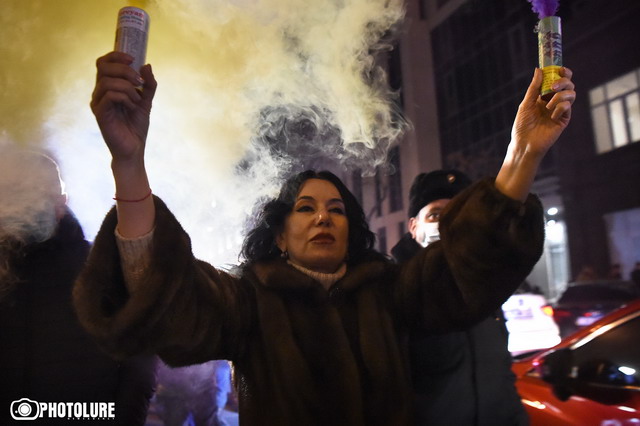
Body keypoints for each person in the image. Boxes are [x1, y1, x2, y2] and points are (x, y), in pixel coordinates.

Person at [73, 51, 575, 424]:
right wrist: (128, 163)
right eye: (306, 208)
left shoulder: (390, 292)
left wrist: (523, 153)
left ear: (351, 230)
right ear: (280, 235)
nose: (323, 218)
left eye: (336, 210)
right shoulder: (249, 303)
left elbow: (468, 265)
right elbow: (166, 296)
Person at [0, 146, 157, 425]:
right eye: (20, 194)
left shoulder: (105, 268)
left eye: (41, 193)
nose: (31, 205)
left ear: (62, 202)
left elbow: (138, 366)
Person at [391, 169, 528, 425]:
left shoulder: (487, 289)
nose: (447, 224)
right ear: (413, 227)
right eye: (435, 214)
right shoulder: (393, 292)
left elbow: (502, 376)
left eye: (458, 215)